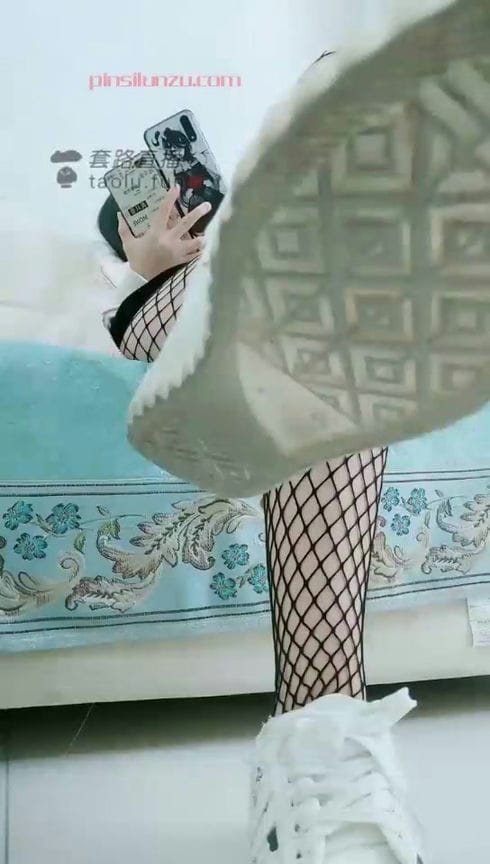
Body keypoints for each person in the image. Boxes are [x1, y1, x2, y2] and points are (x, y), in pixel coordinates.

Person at [98, 2, 490, 858]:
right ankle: (319, 724)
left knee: (325, 324)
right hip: (169, 297)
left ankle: (318, 732)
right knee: (317, 342)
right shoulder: (149, 262)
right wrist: (152, 264)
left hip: (303, 277)